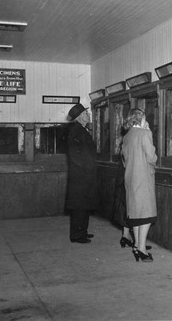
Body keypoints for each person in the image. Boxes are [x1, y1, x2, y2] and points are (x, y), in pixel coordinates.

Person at [121, 108, 158, 262]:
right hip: (143, 178)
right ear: (141, 118)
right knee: (147, 215)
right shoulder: (145, 133)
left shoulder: (127, 137)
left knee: (136, 215)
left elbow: (124, 160)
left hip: (130, 178)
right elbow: (151, 157)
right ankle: (141, 249)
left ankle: (137, 246)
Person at [65, 103, 98, 243]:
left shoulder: (81, 130)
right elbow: (76, 155)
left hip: (84, 176)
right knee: (79, 206)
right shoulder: (76, 132)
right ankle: (77, 235)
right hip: (81, 177)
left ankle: (82, 231)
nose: (88, 115)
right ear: (80, 117)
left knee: (84, 205)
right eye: (86, 113)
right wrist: (88, 168)